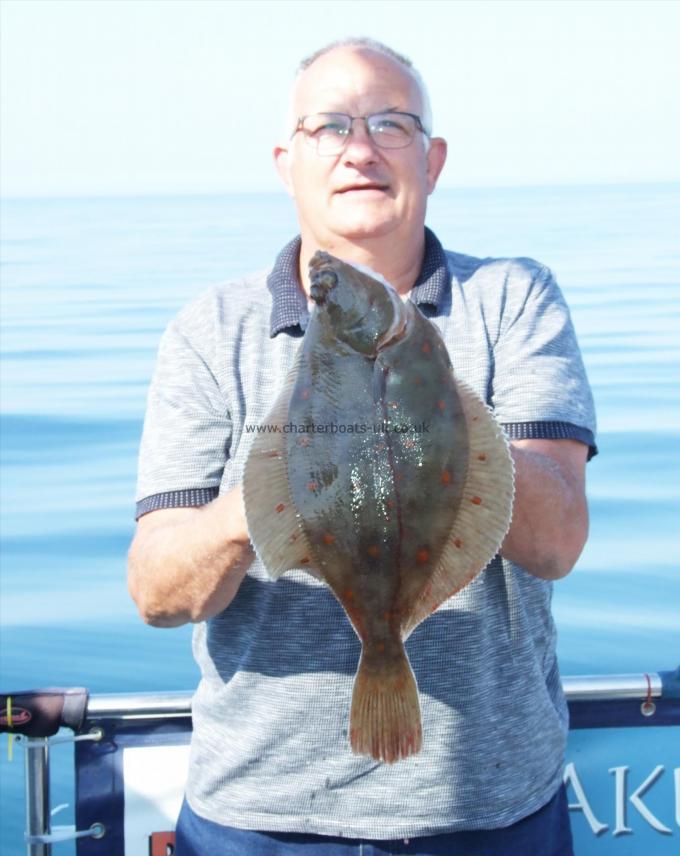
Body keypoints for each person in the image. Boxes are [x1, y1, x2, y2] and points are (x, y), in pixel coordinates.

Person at [128, 38, 596, 856]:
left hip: (489, 812)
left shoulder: (512, 299)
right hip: (258, 817)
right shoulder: (211, 330)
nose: (360, 149)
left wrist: (434, 410)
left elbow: (556, 543)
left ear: (433, 157)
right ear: (286, 161)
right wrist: (269, 500)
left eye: (391, 123)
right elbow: (157, 593)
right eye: (329, 126)